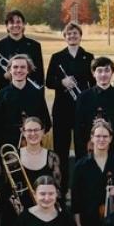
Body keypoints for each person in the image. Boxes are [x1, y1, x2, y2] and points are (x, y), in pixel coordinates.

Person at [45, 22, 94, 196]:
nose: (72, 36)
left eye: (75, 33)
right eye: (69, 34)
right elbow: (48, 81)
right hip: (62, 111)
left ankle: (81, 190)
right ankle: (61, 189)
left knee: (82, 151)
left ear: (80, 36)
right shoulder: (57, 57)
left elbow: (94, 83)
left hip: (81, 110)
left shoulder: (88, 57)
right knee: (61, 151)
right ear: (64, 37)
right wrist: (62, 82)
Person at [0, 55, 51, 160]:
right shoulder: (1, 95)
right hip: (9, 149)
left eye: (23, 67)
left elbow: (47, 123)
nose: (19, 70)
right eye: (15, 67)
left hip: (33, 148)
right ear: (9, 70)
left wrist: (33, 136)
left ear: (28, 70)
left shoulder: (37, 94)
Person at [74, 57, 114, 167]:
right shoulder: (83, 97)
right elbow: (78, 129)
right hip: (90, 152)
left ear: (112, 73)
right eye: (99, 71)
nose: (103, 74)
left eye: (107, 70)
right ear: (93, 73)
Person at [0, 10, 44, 92]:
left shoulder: (35, 46)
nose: (15, 25)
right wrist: (4, 76)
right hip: (5, 94)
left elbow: (40, 76)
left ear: (23, 25)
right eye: (11, 22)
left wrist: (40, 99)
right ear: (6, 26)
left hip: (29, 94)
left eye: (18, 22)